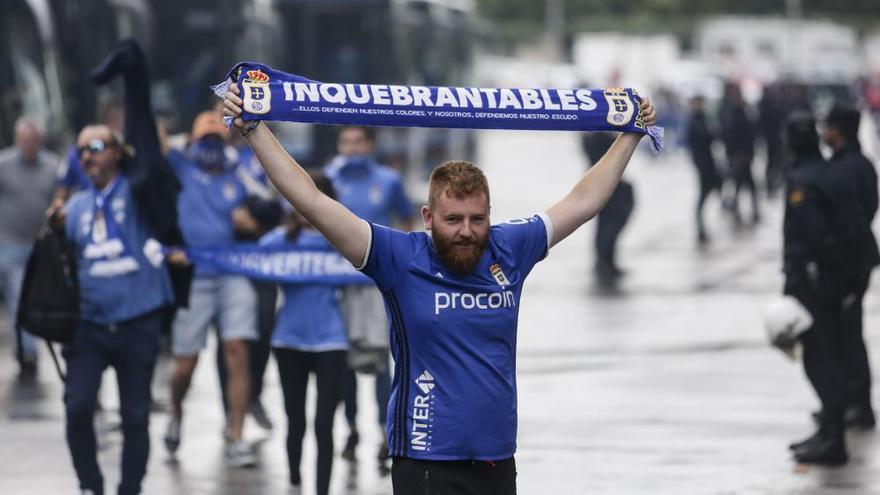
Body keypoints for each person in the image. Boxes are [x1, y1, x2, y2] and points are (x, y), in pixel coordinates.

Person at [223, 83, 655, 493]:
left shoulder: (511, 248)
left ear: (490, 215)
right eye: (453, 220)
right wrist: (254, 129)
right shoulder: (397, 257)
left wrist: (630, 135)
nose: (466, 232)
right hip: (426, 460)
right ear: (428, 218)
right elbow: (312, 202)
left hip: (497, 457)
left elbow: (584, 200)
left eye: (477, 219)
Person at [50, 124, 187, 495]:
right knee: (78, 408)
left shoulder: (141, 193)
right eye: (81, 151)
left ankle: (130, 488)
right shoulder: (75, 206)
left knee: (135, 416)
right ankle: (90, 486)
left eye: (95, 147)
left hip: (137, 320)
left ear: (118, 151)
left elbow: (155, 169)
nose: (88, 157)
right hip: (88, 326)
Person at [164, 110, 258, 467]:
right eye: (204, 140)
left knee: (236, 349)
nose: (211, 147)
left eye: (216, 139)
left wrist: (250, 224)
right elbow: (155, 139)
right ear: (192, 141)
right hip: (194, 276)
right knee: (185, 364)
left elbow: (266, 210)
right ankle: (175, 414)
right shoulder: (180, 168)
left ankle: (236, 435)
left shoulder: (240, 174)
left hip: (232, 271)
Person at [325, 125, 414, 464]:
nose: (352, 148)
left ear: (371, 145)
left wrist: (399, 262)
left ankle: (384, 431)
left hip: (376, 285)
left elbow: (407, 219)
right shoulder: (329, 178)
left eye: (358, 141)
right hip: (337, 283)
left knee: (380, 360)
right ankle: (350, 429)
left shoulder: (389, 180)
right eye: (346, 142)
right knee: (343, 360)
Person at [782, 112, 863, 466]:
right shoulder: (833, 170)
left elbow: (817, 238)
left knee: (819, 357)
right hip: (833, 281)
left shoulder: (805, 181)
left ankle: (833, 437)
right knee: (829, 354)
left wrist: (816, 281)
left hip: (816, 286)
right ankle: (830, 429)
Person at [264, 174, 348, 495]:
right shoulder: (279, 241)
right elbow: (239, 259)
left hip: (332, 341)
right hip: (288, 341)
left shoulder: (342, 240)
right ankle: (295, 483)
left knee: (324, 425)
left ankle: (323, 490)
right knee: (294, 420)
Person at [821, 105, 880, 428]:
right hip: (850, 260)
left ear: (839, 130)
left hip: (852, 262)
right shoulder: (851, 163)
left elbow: (861, 215)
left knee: (850, 335)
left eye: (828, 127)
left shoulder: (854, 166)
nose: (823, 132)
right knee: (839, 335)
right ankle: (845, 401)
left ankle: (859, 404)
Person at [0, 118, 59, 381]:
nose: (27, 146)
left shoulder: (53, 166)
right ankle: (28, 352)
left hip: (41, 245)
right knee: (17, 297)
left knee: (38, 302)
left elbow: (61, 200)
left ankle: (27, 345)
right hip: (10, 244)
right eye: (23, 141)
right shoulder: (4, 165)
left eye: (32, 141)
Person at [582, 131, 635, 283]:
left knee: (605, 226)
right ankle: (604, 263)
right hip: (604, 185)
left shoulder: (590, 137)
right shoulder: (596, 138)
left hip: (602, 184)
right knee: (607, 227)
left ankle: (606, 262)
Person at [719, 82, 759, 225]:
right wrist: (737, 153)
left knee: (748, 184)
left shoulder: (742, 109)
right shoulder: (730, 111)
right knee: (739, 184)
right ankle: (737, 210)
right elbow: (729, 135)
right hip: (738, 155)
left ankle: (752, 211)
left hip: (744, 154)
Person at [685, 96, 722, 244]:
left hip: (708, 162)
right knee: (702, 196)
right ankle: (700, 228)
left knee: (707, 193)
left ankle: (702, 227)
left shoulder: (703, 119)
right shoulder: (694, 121)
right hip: (703, 164)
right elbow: (694, 142)